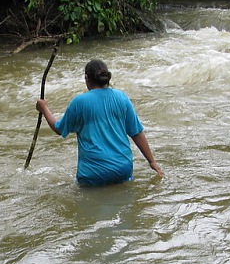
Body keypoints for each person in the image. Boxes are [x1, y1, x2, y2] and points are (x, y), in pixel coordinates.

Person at [35, 59, 164, 186]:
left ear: (87, 78)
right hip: (123, 169)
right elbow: (136, 133)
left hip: (93, 173)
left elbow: (59, 129)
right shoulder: (122, 97)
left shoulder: (79, 102)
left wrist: (44, 108)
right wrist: (152, 162)